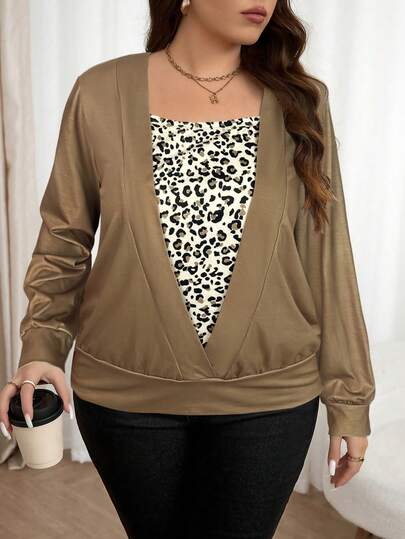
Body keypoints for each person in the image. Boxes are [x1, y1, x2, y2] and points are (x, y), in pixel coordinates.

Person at [0, 1, 376, 537]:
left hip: (269, 398)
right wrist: (42, 345)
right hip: (125, 396)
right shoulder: (101, 92)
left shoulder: (301, 101)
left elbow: (328, 255)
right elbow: (65, 236)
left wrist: (350, 397)